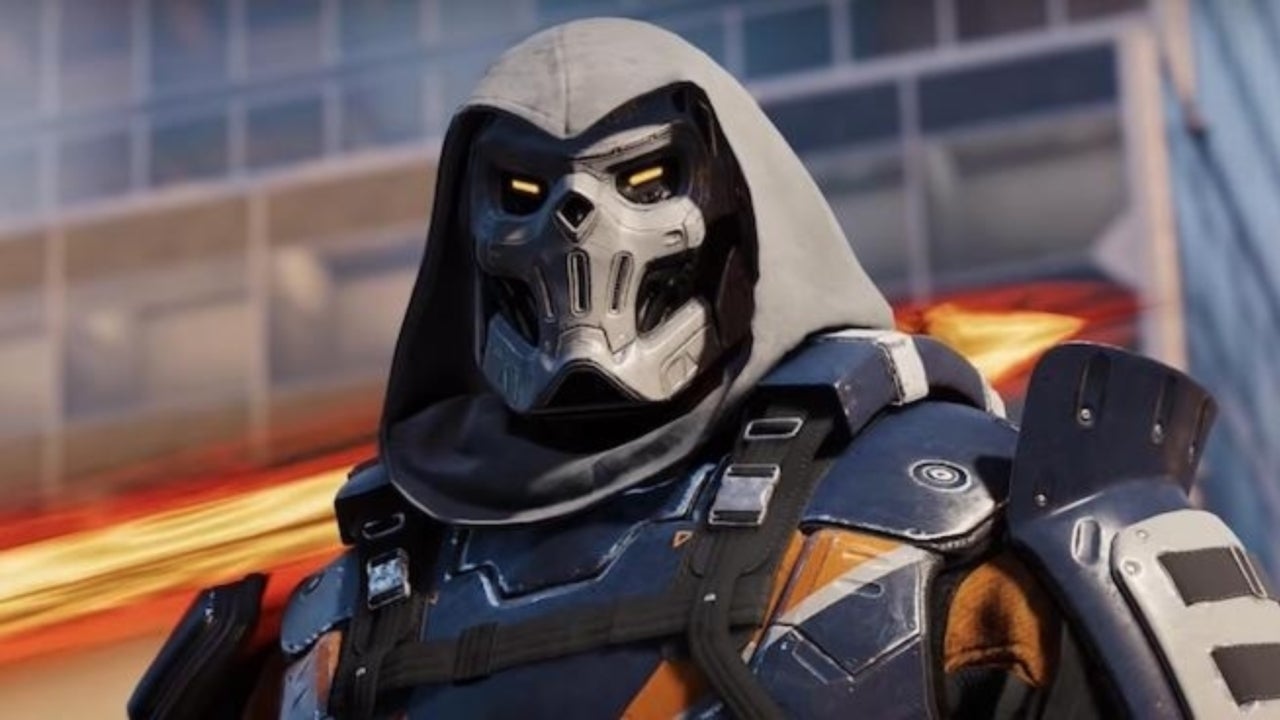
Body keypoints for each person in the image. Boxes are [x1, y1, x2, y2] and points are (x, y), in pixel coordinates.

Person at [130, 18, 1280, 720]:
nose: (575, 226)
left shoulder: (959, 522)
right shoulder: (335, 626)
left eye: (639, 180)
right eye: (525, 192)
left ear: (735, 205)